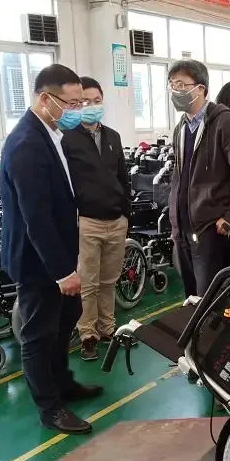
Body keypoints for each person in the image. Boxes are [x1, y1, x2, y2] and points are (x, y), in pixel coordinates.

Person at [0, 64, 102, 435]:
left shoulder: (51, 134)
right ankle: (50, 408)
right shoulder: (26, 144)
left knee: (64, 322)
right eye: (71, 103)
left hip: (57, 252)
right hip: (37, 261)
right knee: (39, 335)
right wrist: (62, 272)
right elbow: (36, 217)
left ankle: (63, 384)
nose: (77, 110)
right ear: (46, 99)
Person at [168, 59, 230, 297]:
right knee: (192, 298)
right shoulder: (181, 128)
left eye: (181, 85)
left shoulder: (224, 122)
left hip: (210, 231)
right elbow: (179, 179)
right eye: (172, 85)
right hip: (184, 230)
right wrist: (175, 222)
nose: (176, 90)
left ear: (201, 89)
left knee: (211, 299)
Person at [61, 77, 130, 362]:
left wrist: (126, 213)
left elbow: (123, 177)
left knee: (109, 280)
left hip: (116, 220)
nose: (92, 106)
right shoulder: (68, 139)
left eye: (97, 100)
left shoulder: (113, 137)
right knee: (88, 283)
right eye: (85, 101)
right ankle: (88, 334)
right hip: (87, 222)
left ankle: (107, 329)